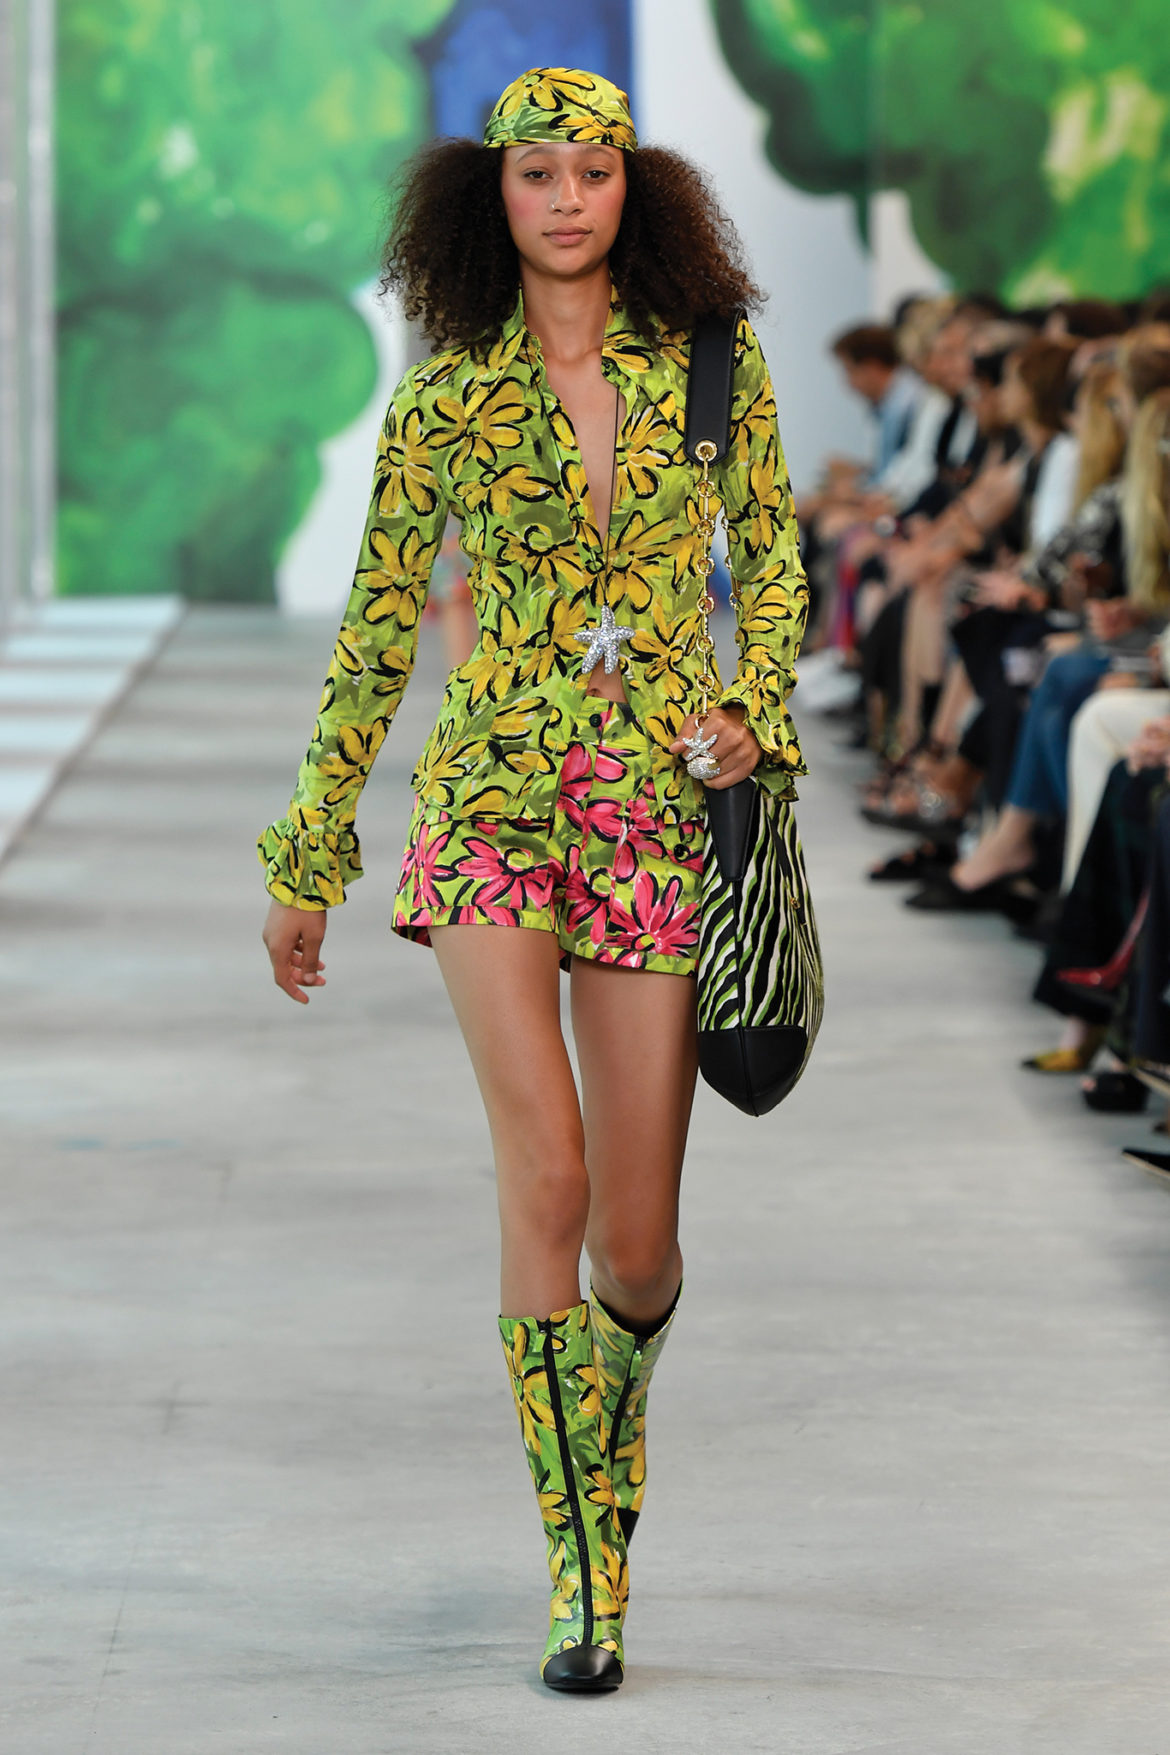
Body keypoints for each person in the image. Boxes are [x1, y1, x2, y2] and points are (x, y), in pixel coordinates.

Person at [256, 68, 808, 1694]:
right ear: (486, 194)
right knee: (545, 1181)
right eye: (537, 174)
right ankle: (581, 1564)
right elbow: (376, 628)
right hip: (493, 800)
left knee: (636, 1245)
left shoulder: (712, 367)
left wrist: (751, 705)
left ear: (636, 188)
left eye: (594, 172)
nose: (567, 201)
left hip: (655, 801)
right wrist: (311, 846)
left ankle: (606, 1443)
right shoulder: (443, 400)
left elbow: (773, 562)